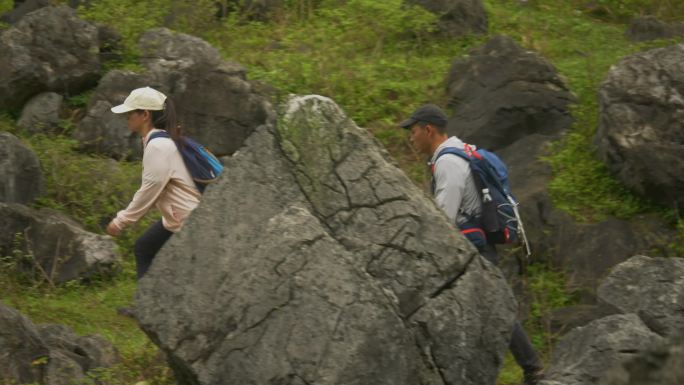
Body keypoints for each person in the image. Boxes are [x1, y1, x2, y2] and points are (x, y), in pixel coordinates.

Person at [400, 104, 544, 385]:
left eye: (413, 131)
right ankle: (531, 368)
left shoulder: (448, 163)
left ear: (429, 130)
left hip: (470, 250)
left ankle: (532, 369)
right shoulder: (461, 152)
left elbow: (445, 216)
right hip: (475, 246)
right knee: (494, 307)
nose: (411, 138)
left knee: (495, 309)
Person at [105, 87, 201, 314]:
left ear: (145, 115)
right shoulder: (161, 141)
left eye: (131, 113)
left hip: (189, 219)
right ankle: (148, 308)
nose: (127, 117)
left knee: (158, 255)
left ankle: (152, 311)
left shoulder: (158, 146)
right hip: (182, 217)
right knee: (145, 247)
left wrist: (121, 220)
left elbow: (150, 190)